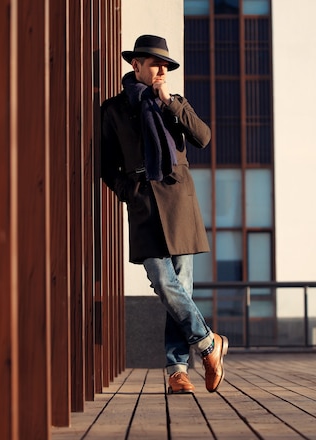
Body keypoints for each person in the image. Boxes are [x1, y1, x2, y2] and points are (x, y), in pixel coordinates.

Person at [100, 34, 228, 394]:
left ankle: (176, 371)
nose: (160, 70)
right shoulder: (112, 110)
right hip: (143, 202)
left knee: (182, 287)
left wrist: (170, 103)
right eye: (153, 63)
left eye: (165, 65)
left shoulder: (174, 103)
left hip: (179, 201)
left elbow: (202, 137)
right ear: (135, 65)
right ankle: (208, 343)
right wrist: (127, 192)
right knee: (162, 280)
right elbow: (107, 165)